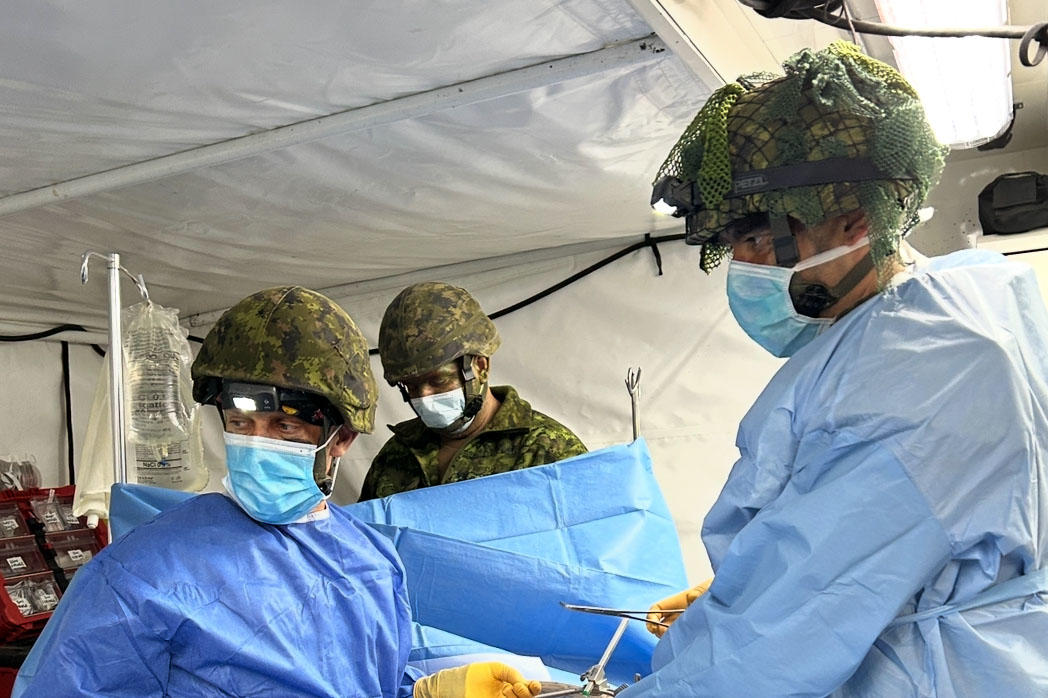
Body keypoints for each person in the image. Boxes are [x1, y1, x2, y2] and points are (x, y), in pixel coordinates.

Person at [629, 42, 1048, 696]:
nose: (744, 265)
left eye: (760, 236)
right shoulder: (966, 297)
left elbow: (774, 645)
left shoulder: (922, 369)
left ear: (855, 221)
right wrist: (745, 587)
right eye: (734, 243)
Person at [15, 286, 540, 698]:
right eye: (241, 424)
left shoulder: (372, 563)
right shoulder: (142, 573)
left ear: (341, 439)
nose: (257, 444)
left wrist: (422, 692)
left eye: (285, 427)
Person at [360, 281, 586, 500]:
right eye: (411, 386)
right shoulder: (396, 454)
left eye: (438, 380)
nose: (424, 396)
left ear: (480, 368)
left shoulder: (548, 450)